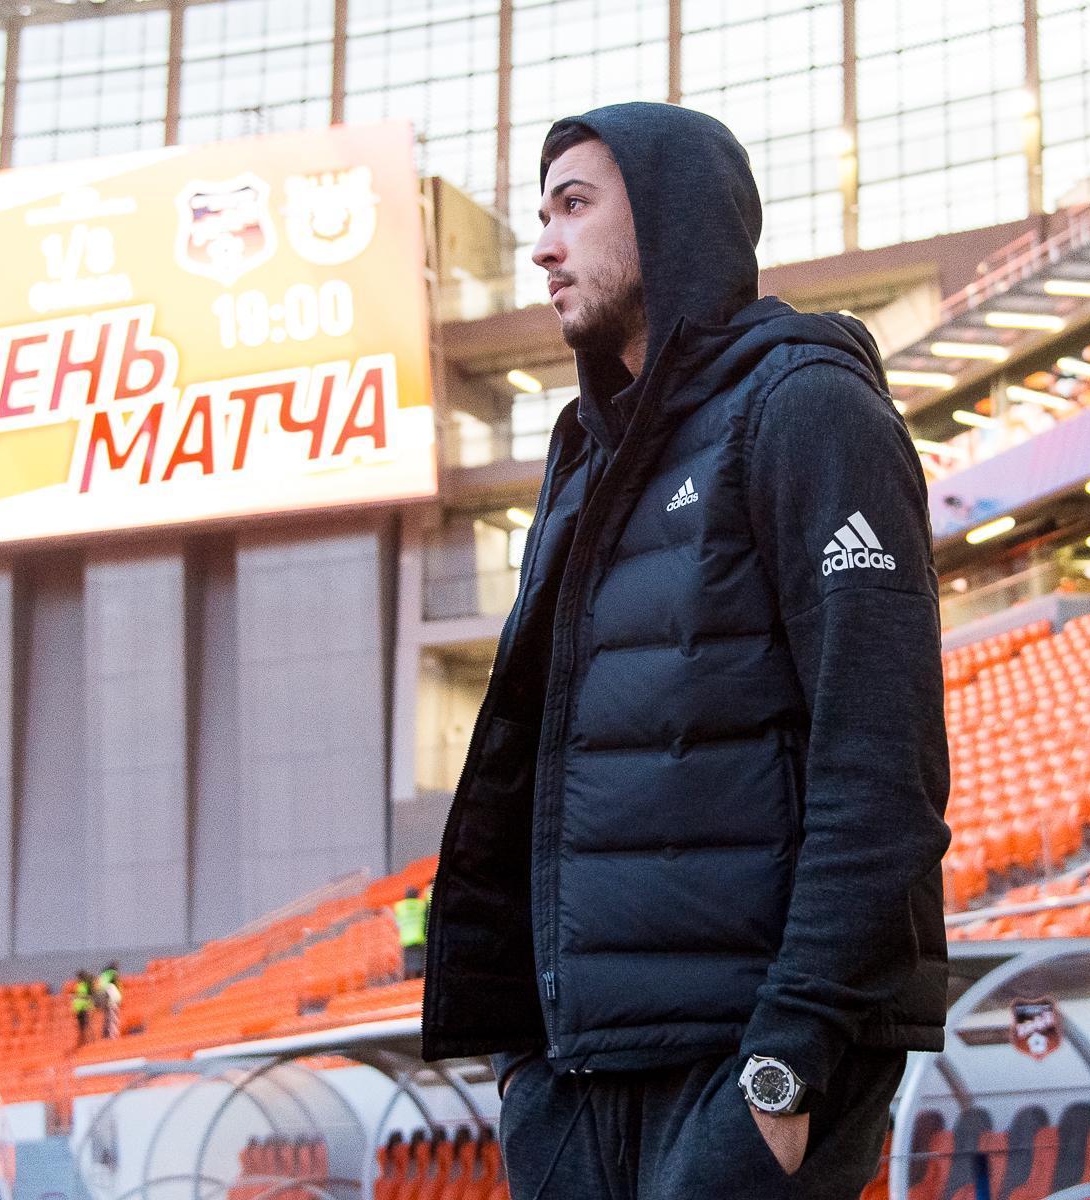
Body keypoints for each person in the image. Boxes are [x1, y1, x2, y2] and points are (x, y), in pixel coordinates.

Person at [420, 104, 951, 1200]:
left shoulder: (807, 407)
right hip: (576, 1077)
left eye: (574, 206)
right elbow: (539, 762)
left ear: (672, 218)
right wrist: (524, 1066)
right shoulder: (581, 457)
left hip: (743, 1070)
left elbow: (880, 760)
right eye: (541, 216)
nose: (544, 246)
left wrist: (788, 1063)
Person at [392, 886, 429, 979]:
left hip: (405, 939)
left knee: (408, 962)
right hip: (419, 937)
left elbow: (397, 923)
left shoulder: (399, 907)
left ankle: (409, 979)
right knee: (421, 960)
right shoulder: (422, 905)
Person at [96, 968, 123, 1040]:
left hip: (110, 1003)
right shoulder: (111, 985)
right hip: (113, 1003)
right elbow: (116, 996)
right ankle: (113, 1035)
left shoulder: (106, 983)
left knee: (110, 1019)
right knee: (113, 1019)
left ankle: (111, 1035)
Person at [72, 970, 94, 1046]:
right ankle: (85, 1040)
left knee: (82, 1025)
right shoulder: (85, 985)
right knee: (85, 1025)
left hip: (79, 1007)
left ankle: (84, 1040)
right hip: (83, 1007)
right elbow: (90, 996)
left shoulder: (78, 985)